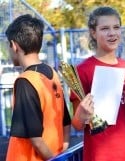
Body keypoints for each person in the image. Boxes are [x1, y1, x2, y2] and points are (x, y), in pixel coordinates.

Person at [5, 14, 93, 161]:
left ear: (14, 46)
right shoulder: (52, 73)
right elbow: (66, 121)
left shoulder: (25, 81)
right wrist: (62, 151)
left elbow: (36, 139)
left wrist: (54, 159)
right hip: (54, 154)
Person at [70, 6, 125, 161]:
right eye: (104, 28)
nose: (112, 33)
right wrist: (83, 115)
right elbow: (77, 125)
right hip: (99, 155)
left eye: (116, 27)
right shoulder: (83, 70)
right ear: (93, 32)